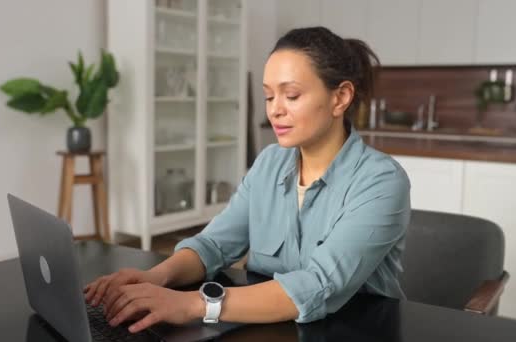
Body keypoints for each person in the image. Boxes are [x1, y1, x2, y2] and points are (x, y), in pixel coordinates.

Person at [84, 26, 411, 333]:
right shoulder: (269, 163)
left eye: (292, 95)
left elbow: (317, 285)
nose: (275, 110)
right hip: (269, 327)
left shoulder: (381, 181)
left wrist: (192, 304)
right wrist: (155, 277)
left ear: (340, 98)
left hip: (354, 330)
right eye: (269, 97)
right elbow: (214, 244)